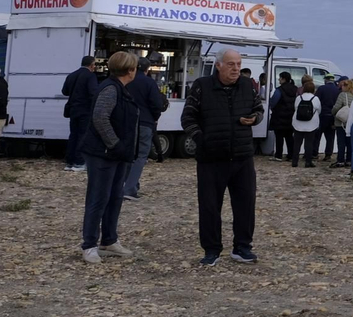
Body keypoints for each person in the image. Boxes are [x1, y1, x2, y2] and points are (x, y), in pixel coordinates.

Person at [180, 49, 264, 266]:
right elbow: (188, 117)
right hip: (211, 159)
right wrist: (202, 139)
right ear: (218, 65)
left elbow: (259, 109)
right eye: (231, 64)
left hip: (242, 156)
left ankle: (242, 247)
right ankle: (211, 250)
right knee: (209, 206)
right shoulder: (202, 86)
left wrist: (254, 118)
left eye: (238, 64)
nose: (236, 69)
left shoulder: (247, 85)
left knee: (245, 205)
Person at [79, 51, 141, 264]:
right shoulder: (110, 89)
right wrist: (114, 145)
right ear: (130, 70)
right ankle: (89, 245)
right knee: (98, 198)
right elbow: (100, 118)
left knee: (115, 197)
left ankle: (109, 240)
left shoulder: (120, 89)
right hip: (103, 153)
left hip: (118, 154)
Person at [122, 56, 170, 198]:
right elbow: (156, 104)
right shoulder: (149, 83)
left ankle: (128, 184)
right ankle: (129, 189)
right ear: (147, 69)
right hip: (145, 121)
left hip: (127, 121)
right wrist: (154, 118)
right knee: (141, 156)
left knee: (129, 154)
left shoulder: (126, 81)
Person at [58, 58, 98, 172]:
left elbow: (64, 91)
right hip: (85, 110)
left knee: (73, 135)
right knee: (83, 135)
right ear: (91, 65)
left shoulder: (72, 75)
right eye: (94, 65)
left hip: (73, 109)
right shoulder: (90, 76)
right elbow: (93, 93)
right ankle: (79, 162)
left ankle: (69, 161)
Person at [286, 74, 320, 168]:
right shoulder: (315, 99)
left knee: (297, 143)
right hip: (311, 124)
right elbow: (319, 110)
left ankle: (294, 161)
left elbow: (295, 108)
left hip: (298, 123)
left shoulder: (299, 98)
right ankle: (308, 162)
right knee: (309, 144)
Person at [268, 71, 297, 161]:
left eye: (280, 78)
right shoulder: (295, 89)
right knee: (289, 136)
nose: (279, 79)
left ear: (283, 79)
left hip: (279, 116)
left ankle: (278, 155)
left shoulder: (279, 90)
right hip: (290, 116)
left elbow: (273, 102)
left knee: (279, 136)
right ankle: (291, 155)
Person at [314, 75, 342, 163]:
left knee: (317, 136)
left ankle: (314, 153)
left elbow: (317, 101)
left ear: (326, 80)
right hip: (332, 116)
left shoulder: (321, 89)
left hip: (322, 115)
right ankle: (328, 155)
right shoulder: (337, 90)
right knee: (330, 137)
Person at [331, 79, 353, 168]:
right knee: (349, 142)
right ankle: (349, 160)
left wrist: (333, 112)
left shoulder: (342, 95)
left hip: (341, 122)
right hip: (351, 122)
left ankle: (340, 160)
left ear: (345, 86)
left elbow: (336, 107)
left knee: (341, 142)